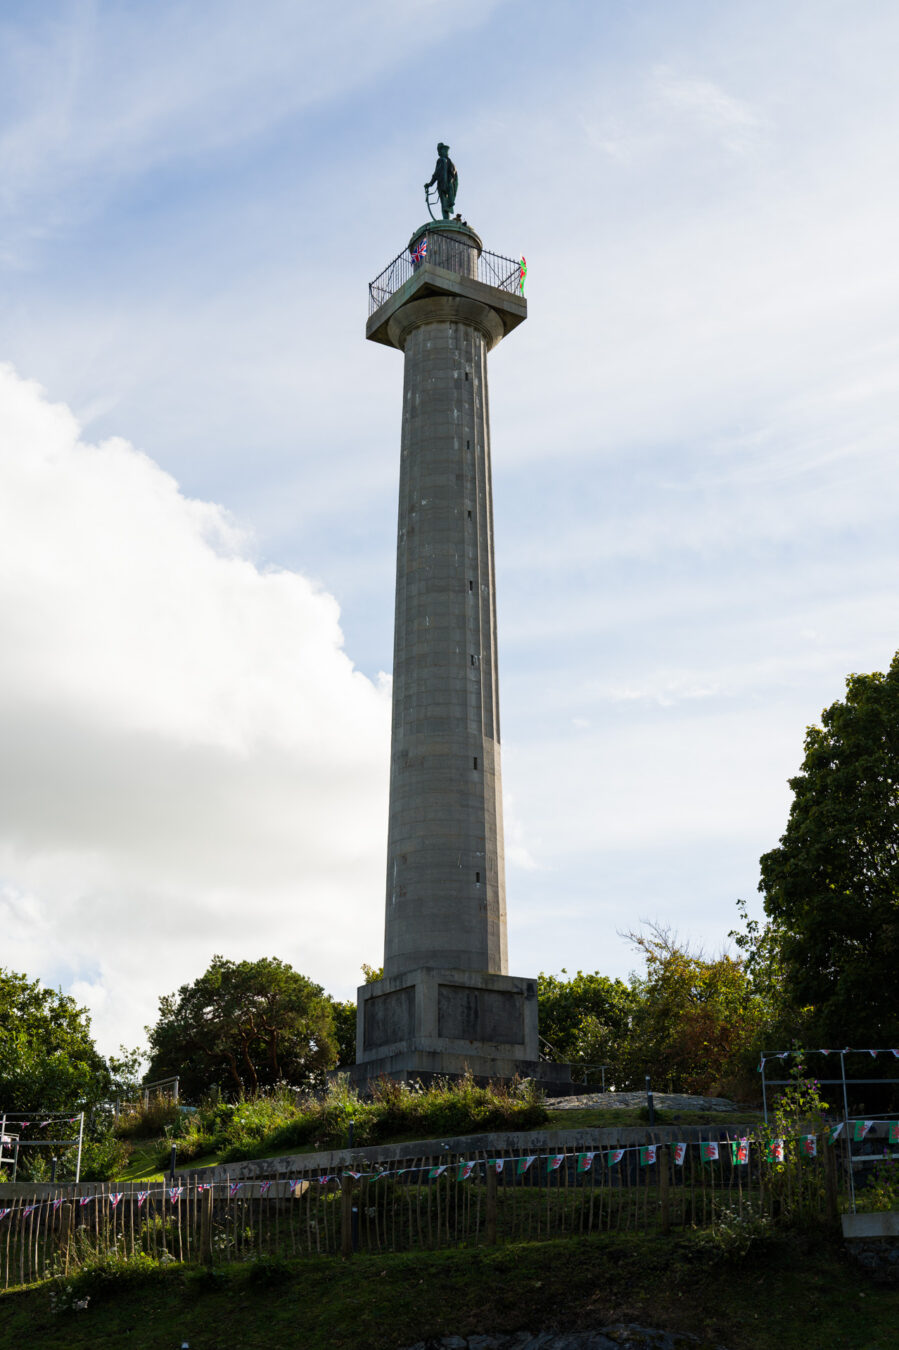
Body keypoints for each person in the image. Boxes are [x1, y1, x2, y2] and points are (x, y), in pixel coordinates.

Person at [424, 144, 458, 220]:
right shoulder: (451, 163)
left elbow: (437, 173)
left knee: (444, 204)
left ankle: (446, 219)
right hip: (450, 188)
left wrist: (430, 184)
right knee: (446, 205)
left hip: (443, 185)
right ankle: (447, 218)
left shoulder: (441, 160)